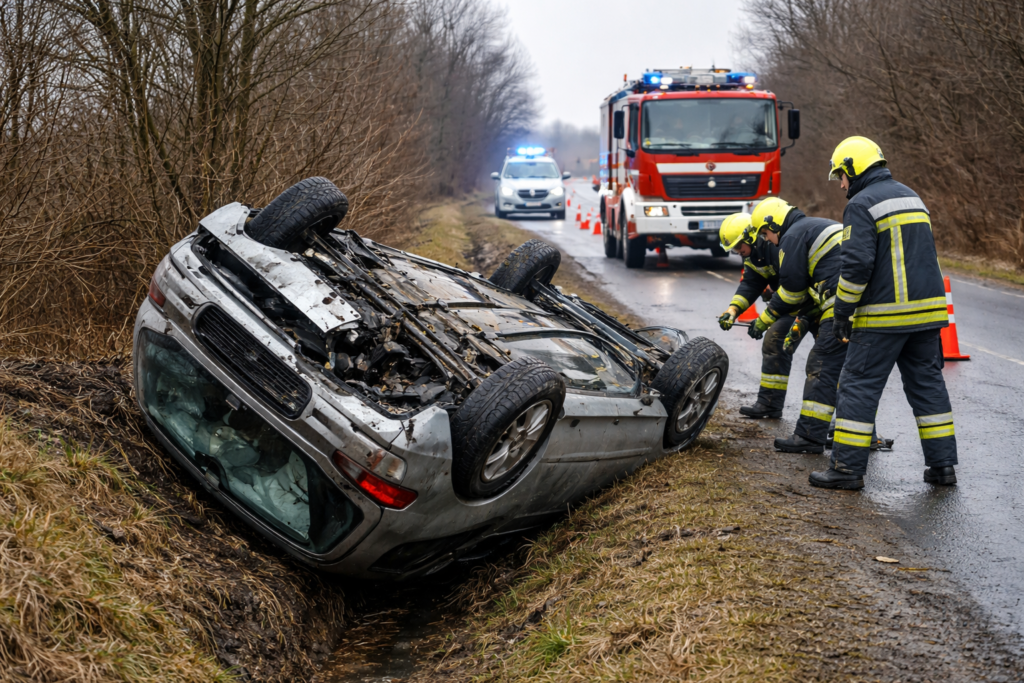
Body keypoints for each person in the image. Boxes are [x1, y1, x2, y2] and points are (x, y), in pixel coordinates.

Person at [809, 137, 957, 490]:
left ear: (853, 168)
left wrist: (842, 311)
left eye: (841, 176)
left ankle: (846, 470)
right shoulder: (912, 196)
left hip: (883, 317)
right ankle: (943, 468)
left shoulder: (861, 204)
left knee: (857, 386)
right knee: (928, 387)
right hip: (928, 314)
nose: (841, 185)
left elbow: (857, 264)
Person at [717, 212, 806, 419]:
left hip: (810, 303)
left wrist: (765, 319)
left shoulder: (778, 247)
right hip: (788, 304)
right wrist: (733, 310)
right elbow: (750, 283)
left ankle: (838, 420)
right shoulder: (753, 255)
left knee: (823, 360)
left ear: (751, 237)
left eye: (739, 247)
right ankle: (769, 404)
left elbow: (792, 288)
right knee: (773, 342)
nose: (738, 252)